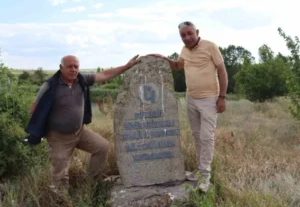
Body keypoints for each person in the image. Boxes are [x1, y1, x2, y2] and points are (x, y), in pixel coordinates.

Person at [24, 54, 139, 193]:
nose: (73, 69)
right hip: (59, 137)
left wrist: (126, 67)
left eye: (76, 66)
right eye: (69, 66)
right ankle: (61, 199)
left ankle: (91, 185)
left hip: (80, 132)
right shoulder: (50, 85)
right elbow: (34, 109)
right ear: (61, 68)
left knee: (102, 147)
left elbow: (105, 74)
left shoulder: (81, 80)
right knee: (60, 174)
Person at [147, 21, 228, 192]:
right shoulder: (184, 50)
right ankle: (200, 170)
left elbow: (222, 71)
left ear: (197, 31)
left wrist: (222, 97)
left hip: (209, 99)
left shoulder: (210, 46)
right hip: (191, 98)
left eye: (190, 33)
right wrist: (163, 58)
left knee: (206, 137)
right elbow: (177, 66)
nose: (187, 37)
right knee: (197, 136)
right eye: (183, 35)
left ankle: (205, 176)